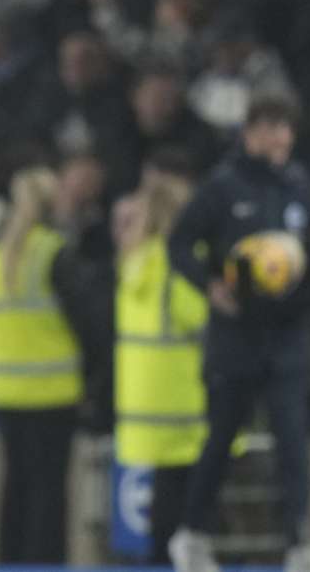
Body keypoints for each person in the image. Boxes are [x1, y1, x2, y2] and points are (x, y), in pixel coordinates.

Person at [167, 99, 310, 572]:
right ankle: (192, 536)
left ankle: (300, 542)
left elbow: (308, 264)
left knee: (293, 444)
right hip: (235, 337)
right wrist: (209, 285)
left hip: (287, 339)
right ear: (251, 132)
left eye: (288, 130)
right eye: (274, 129)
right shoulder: (222, 186)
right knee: (220, 440)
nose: (283, 139)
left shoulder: (298, 186)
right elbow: (179, 242)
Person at [0, 167, 109, 565]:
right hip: (53, 392)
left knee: (13, 489)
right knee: (48, 492)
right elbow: (89, 323)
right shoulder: (54, 253)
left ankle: (8, 563)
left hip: (6, 392)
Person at [113, 168, 210, 565]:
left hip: (142, 404)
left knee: (164, 502)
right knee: (186, 507)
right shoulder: (178, 264)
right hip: (181, 403)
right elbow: (203, 317)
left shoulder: (134, 261)